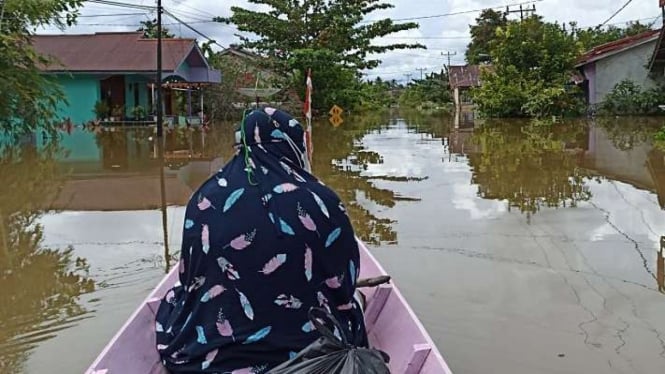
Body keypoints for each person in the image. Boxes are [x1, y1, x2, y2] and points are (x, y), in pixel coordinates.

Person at [155, 107, 368, 373]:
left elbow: (190, 280)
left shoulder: (203, 198)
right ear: (293, 145)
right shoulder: (322, 200)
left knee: (176, 298)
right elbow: (343, 283)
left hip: (210, 359)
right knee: (355, 301)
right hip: (311, 355)